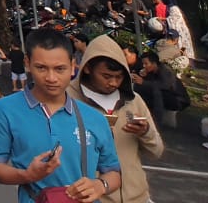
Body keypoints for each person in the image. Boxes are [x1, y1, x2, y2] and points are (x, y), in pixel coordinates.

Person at [0, 26, 121, 201]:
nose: (51, 78)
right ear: (27, 63)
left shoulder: (94, 118)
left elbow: (113, 172)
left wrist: (100, 186)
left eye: (60, 69)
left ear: (72, 67)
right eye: (41, 68)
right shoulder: (5, 110)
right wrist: (27, 175)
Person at [70, 34, 163, 203]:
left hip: (138, 197)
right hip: (92, 198)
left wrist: (146, 132)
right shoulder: (66, 100)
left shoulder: (133, 100)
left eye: (119, 77)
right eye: (106, 76)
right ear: (87, 68)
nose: (113, 83)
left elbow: (157, 151)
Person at [131, 51, 188, 119]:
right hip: (169, 96)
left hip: (179, 101)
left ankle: (156, 118)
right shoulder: (153, 70)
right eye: (143, 64)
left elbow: (164, 86)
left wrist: (143, 82)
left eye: (146, 64)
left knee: (154, 91)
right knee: (140, 89)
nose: (144, 66)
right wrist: (144, 76)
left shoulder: (165, 71)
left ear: (154, 63)